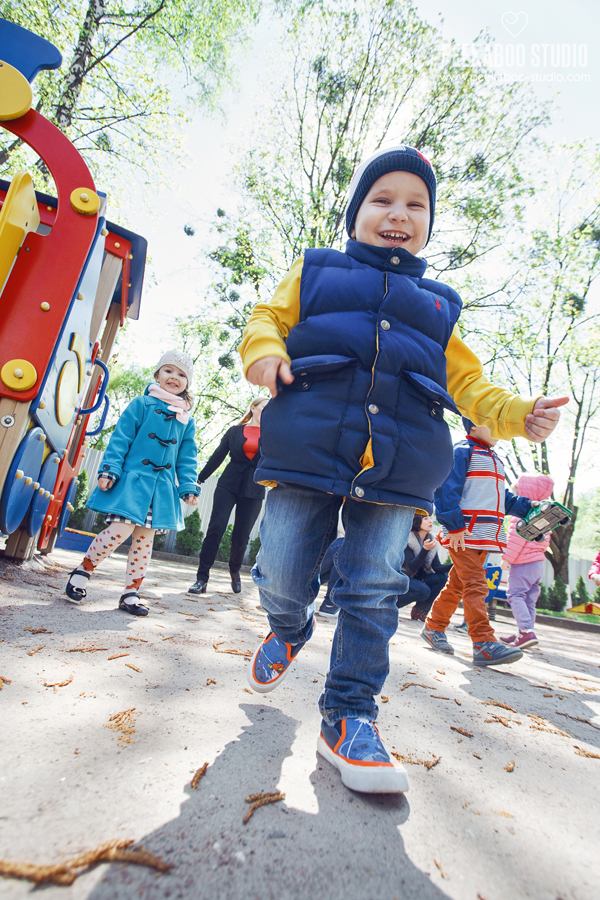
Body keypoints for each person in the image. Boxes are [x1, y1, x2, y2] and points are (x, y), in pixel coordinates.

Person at [238, 144, 567, 794]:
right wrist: (265, 352)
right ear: (356, 213)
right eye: (382, 199)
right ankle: (288, 626)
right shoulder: (316, 271)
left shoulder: (438, 308)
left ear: (429, 223)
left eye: (416, 205)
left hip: (397, 466)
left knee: (371, 586)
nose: (399, 213)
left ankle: (350, 714)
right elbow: (266, 318)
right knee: (281, 569)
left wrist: (517, 414)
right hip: (306, 448)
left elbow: (472, 388)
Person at [65, 351, 200, 616]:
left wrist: (188, 486)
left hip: (159, 489)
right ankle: (82, 571)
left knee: (144, 541)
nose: (174, 377)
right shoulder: (141, 404)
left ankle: (130, 593)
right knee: (119, 531)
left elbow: (187, 457)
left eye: (181, 374)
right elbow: (120, 438)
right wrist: (110, 469)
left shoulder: (186, 419)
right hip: (132, 482)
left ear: (187, 383)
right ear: (157, 375)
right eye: (169, 371)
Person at [422, 418, 538, 664]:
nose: (499, 429)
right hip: (463, 534)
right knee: (476, 585)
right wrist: (454, 526)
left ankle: (433, 626)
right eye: (492, 423)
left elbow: (503, 498)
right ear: (473, 426)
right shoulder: (462, 451)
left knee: (458, 584)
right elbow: (446, 489)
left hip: (485, 536)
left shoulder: (495, 459)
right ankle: (483, 642)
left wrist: (529, 506)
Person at [189, 397, 268, 594]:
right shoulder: (234, 431)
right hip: (228, 484)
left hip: (254, 488)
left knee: (241, 537)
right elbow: (218, 455)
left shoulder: (272, 435)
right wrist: (200, 478)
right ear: (253, 407)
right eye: (264, 407)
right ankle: (202, 578)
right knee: (216, 528)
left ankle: (234, 571)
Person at [499, 472, 555, 650]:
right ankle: (524, 632)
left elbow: (517, 539)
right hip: (537, 563)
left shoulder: (522, 514)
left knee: (515, 595)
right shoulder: (545, 515)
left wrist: (506, 559)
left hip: (522, 562)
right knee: (529, 600)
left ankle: (525, 631)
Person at [397, 514, 452, 622]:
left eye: (430, 518)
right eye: (426, 519)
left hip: (419, 578)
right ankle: (390, 604)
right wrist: (424, 550)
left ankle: (420, 611)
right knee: (423, 591)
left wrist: (457, 563)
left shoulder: (430, 539)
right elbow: (412, 566)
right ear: (417, 521)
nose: (430, 521)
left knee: (442, 578)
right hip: (403, 576)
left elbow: (437, 567)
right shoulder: (408, 539)